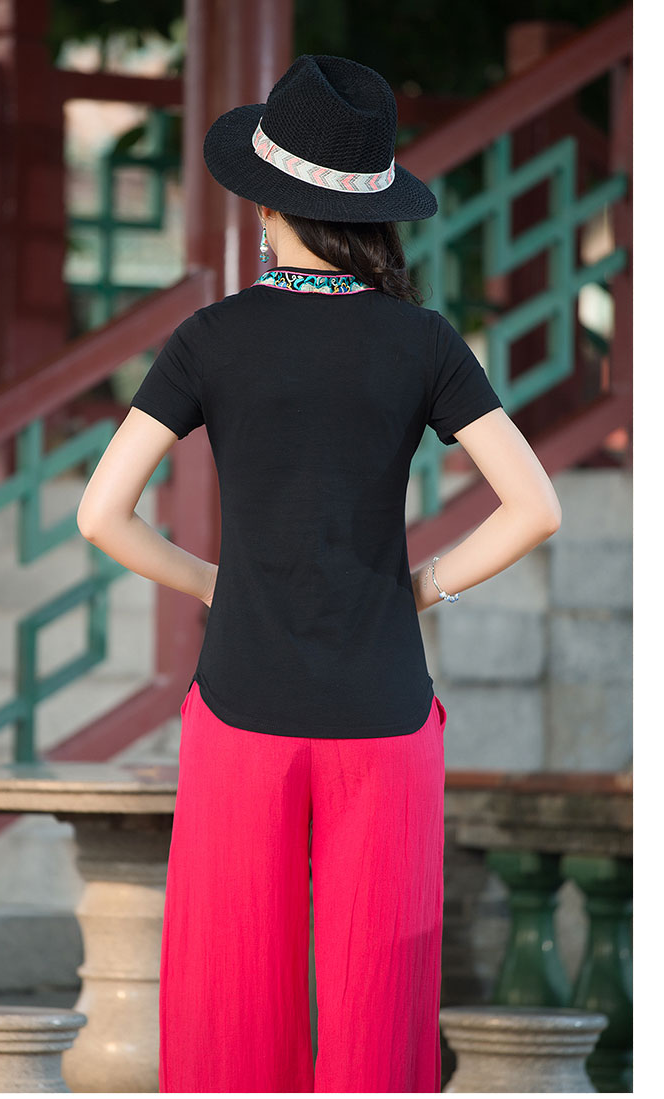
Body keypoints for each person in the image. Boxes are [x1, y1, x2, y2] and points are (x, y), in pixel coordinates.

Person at [77, 53, 562, 1094]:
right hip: (383, 710)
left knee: (228, 1007)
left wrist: (214, 583)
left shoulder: (211, 337)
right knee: (375, 1012)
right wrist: (421, 586)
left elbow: (100, 513)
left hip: (241, 703)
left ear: (265, 206)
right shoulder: (423, 340)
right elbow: (534, 507)